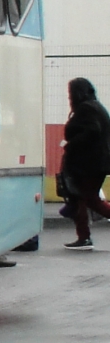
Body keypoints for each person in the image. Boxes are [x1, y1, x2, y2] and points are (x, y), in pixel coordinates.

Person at [59, 76, 110, 250]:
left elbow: (92, 131)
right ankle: (83, 237)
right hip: (95, 164)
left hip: (89, 165)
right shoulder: (96, 107)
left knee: (88, 199)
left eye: (70, 93)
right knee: (82, 199)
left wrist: (71, 144)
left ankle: (84, 238)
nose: (69, 97)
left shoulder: (86, 109)